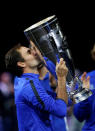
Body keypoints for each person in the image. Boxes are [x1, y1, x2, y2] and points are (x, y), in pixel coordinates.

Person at [5, 42, 68, 131]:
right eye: (29, 52)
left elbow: (64, 101)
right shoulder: (28, 86)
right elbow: (61, 110)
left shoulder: (30, 82)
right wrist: (61, 78)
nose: (35, 53)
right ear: (22, 63)